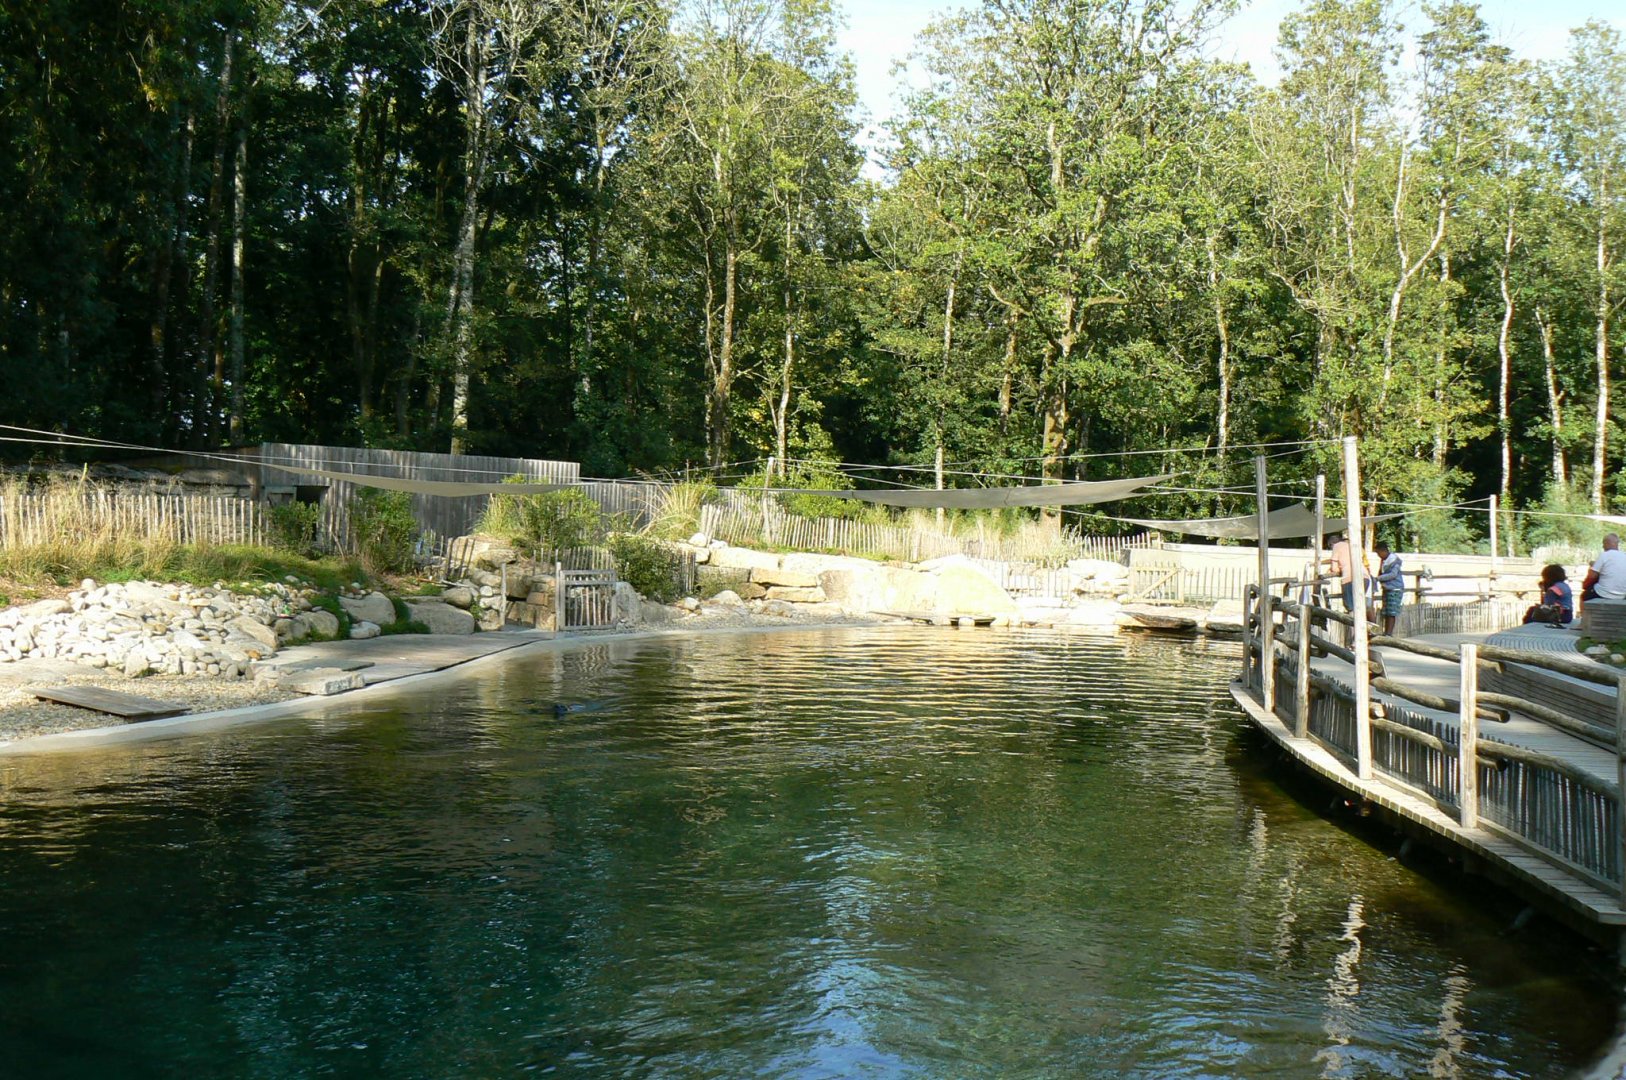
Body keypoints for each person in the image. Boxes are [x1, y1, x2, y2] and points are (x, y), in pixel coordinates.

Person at [1583, 534, 1626, 602]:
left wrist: (1592, 566)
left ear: (1607, 543)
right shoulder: (1624, 555)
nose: (1603, 546)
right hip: (1622, 595)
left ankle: (1584, 612)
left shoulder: (1604, 555)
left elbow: (1592, 576)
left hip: (1603, 593)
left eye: (1603, 544)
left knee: (1584, 595)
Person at [1374, 540, 1404, 635]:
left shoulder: (1395, 561)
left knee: (1391, 612)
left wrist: (1379, 578)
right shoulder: (1383, 561)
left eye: (1379, 553)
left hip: (1395, 589)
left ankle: (1389, 633)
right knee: (1386, 611)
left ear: (1383, 551)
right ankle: (1386, 632)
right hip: (1387, 588)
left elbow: (1393, 574)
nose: (1378, 555)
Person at [1328, 533, 1356, 612]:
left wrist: (1338, 569)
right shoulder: (1351, 545)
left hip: (1349, 578)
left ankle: (1353, 623)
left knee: (1350, 606)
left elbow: (1334, 568)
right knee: (1359, 604)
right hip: (1365, 577)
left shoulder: (1336, 546)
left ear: (1332, 544)